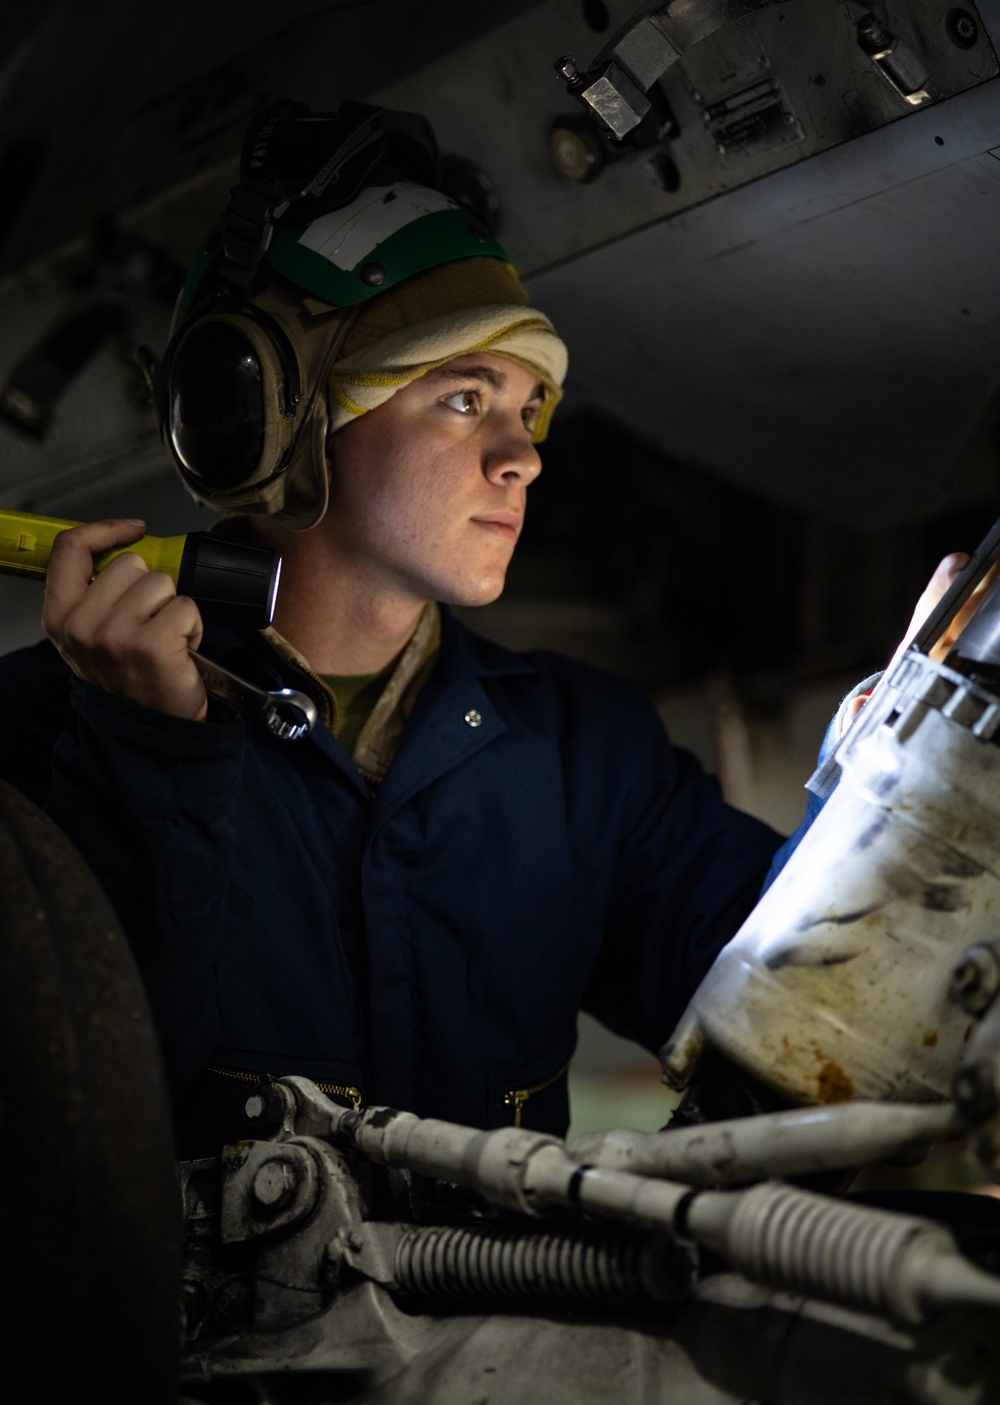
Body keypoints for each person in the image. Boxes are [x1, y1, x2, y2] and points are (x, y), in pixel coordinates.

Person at [0, 104, 964, 1156]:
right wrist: (149, 756)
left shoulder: (582, 754)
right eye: (464, 400)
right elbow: (76, 1137)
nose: (523, 457)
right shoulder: (38, 738)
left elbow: (802, 1012)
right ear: (268, 417)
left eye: (529, 407)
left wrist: (901, 777)